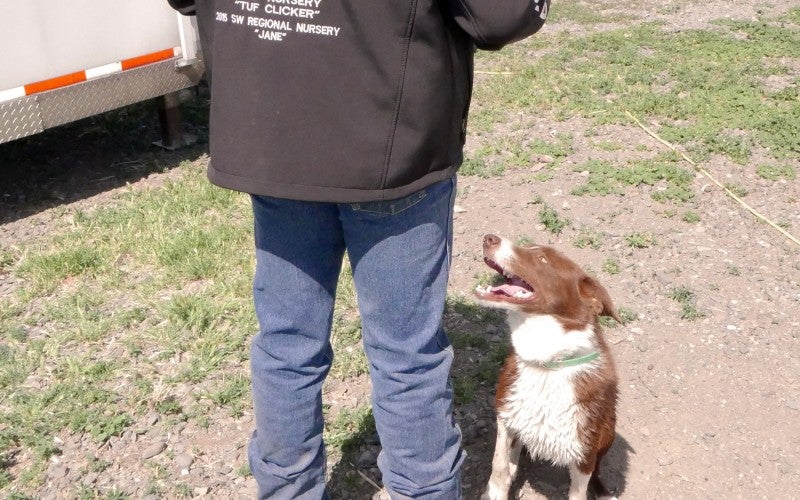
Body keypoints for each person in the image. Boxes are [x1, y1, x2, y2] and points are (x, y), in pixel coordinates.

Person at [168, 1, 550, 498]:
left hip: (275, 136)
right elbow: (501, 16)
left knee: (287, 346)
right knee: (405, 356)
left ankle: (287, 489)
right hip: (388, 145)